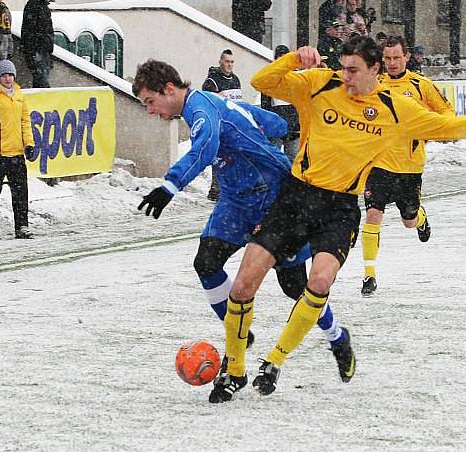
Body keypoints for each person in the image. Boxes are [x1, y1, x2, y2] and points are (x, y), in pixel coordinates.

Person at [210, 35, 466, 402]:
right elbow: (262, 82)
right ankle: (234, 369)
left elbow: (456, 128)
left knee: (319, 281)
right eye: (343, 68)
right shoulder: (320, 83)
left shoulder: (396, 109)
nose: (345, 76)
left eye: (353, 70)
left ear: (375, 69)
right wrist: (294, 62)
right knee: (242, 285)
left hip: (340, 208)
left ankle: (275, 360)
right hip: (296, 197)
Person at [131, 59, 355, 398]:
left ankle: (337, 336)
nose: (150, 111)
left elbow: (205, 148)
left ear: (170, 89)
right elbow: (274, 123)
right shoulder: (216, 103)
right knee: (206, 262)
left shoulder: (203, 111)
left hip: (272, 197)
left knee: (294, 287)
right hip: (236, 202)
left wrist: (169, 187)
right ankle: (238, 341)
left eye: (150, 101)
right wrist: (262, 130)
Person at [360, 36, 455, 296]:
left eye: (396, 58)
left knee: (408, 221)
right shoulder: (373, 83)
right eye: (387, 58)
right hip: (378, 164)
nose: (391, 63)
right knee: (372, 215)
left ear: (407, 57)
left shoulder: (420, 85)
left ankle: (420, 217)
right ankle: (369, 275)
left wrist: (428, 126)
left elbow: (447, 114)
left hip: (409, 167)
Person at [0, 59, 35, 240]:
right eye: (4, 75)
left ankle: (22, 226)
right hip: (0, 154)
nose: (7, 79)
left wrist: (29, 144)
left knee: (21, 192)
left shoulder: (19, 96)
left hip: (17, 153)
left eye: (10, 75)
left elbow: (25, 122)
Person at [202, 49, 243, 201]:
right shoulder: (212, 81)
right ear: (220, 62)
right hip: (218, 125)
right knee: (220, 157)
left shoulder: (236, 79)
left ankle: (228, 189)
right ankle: (216, 190)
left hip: (233, 125)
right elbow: (207, 102)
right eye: (227, 61)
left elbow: (238, 103)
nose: (229, 65)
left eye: (232, 62)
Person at [261, 45, 301, 162]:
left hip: (293, 127)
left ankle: (292, 180)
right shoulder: (269, 77)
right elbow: (265, 105)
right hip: (276, 126)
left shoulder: (297, 77)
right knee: (274, 159)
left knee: (293, 159)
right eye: (280, 58)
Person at [21, 0, 54, 88]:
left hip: (40, 51)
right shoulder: (36, 6)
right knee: (42, 81)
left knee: (40, 80)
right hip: (38, 51)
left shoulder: (39, 6)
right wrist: (38, 48)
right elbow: (33, 30)